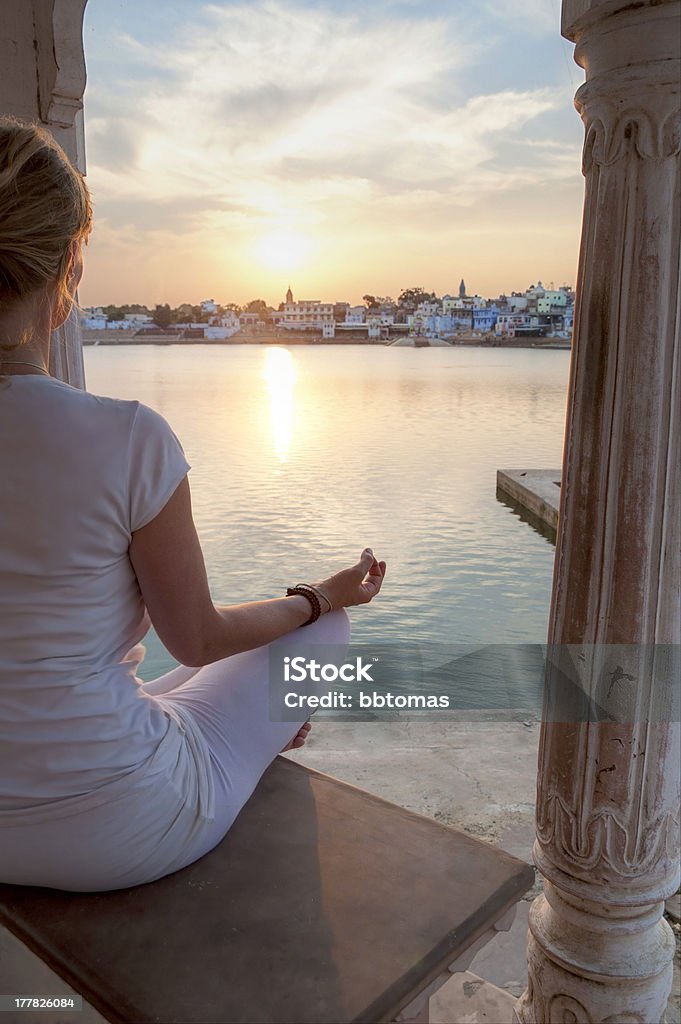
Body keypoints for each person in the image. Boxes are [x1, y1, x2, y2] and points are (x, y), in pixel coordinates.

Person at [0, 116, 386, 892]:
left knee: (124, 681)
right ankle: (247, 741)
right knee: (328, 633)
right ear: (67, 270)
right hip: (115, 825)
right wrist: (316, 598)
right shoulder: (125, 439)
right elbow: (200, 638)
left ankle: (241, 738)